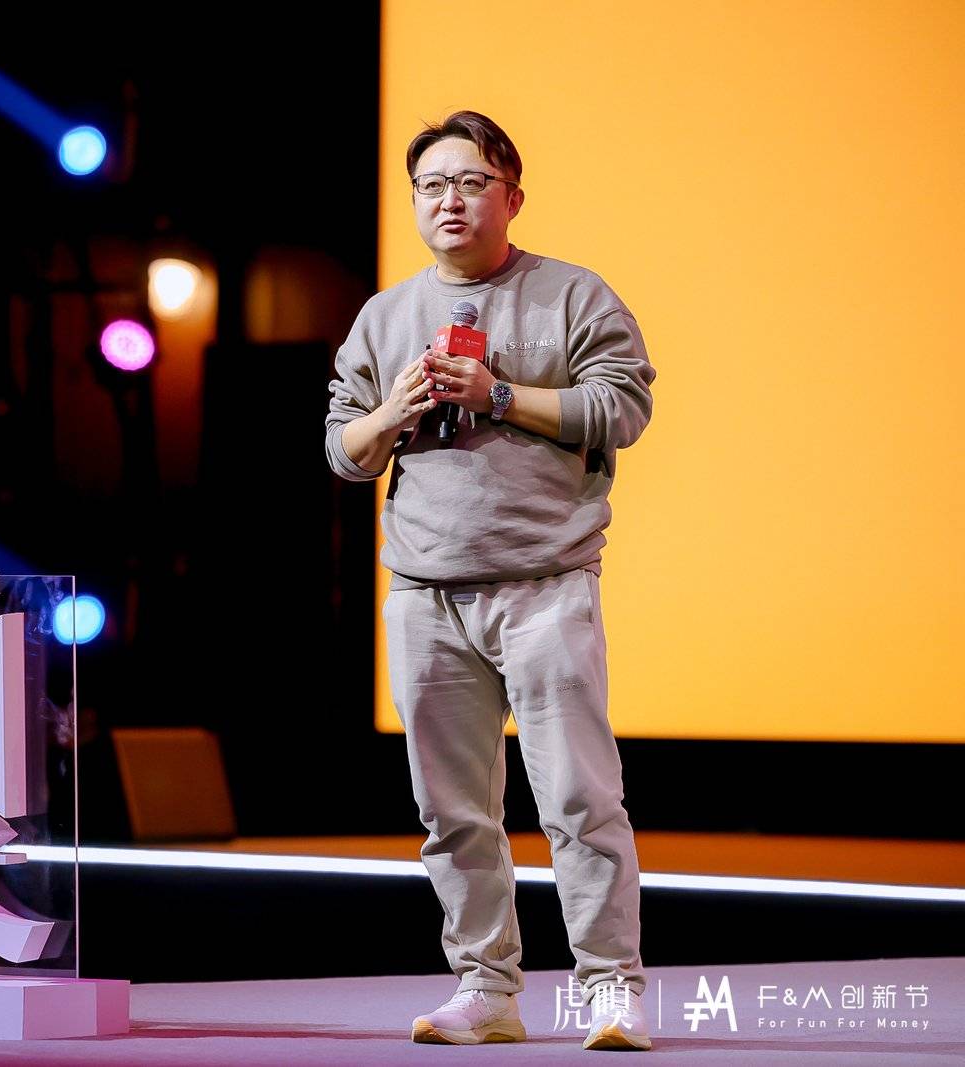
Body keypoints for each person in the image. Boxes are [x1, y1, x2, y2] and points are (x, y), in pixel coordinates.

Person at [324, 110, 656, 1051]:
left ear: (511, 196)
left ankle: (610, 988)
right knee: (452, 812)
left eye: (471, 182)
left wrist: (499, 395)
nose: (450, 201)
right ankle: (486, 987)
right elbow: (345, 450)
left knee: (579, 800)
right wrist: (395, 408)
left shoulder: (570, 294)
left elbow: (623, 407)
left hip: (545, 582)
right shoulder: (384, 316)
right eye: (432, 185)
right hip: (424, 593)